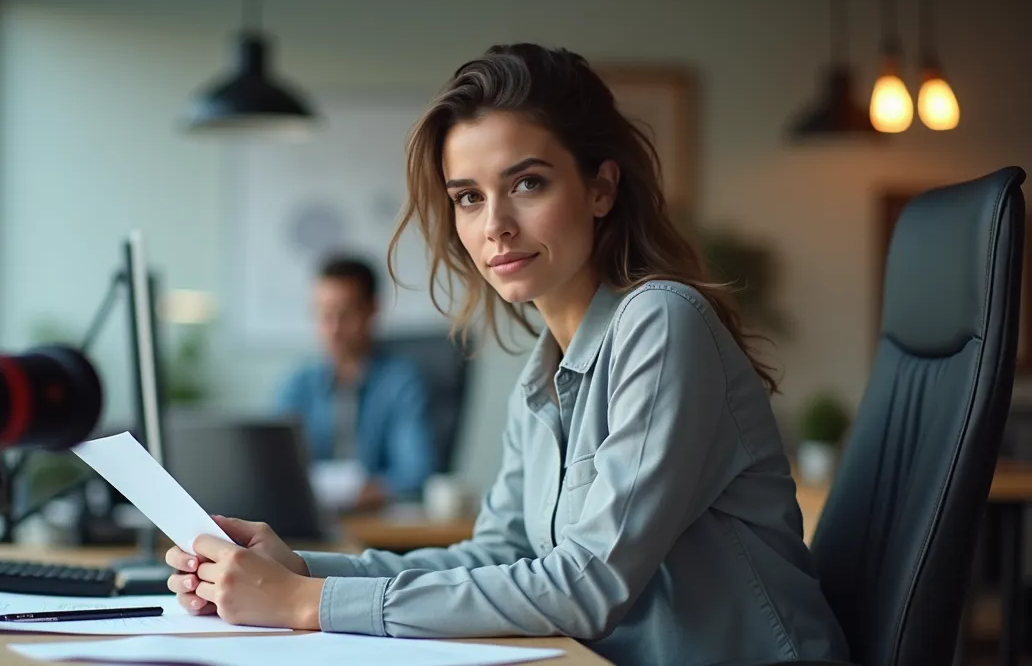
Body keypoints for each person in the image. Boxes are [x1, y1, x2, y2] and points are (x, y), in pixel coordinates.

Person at [164, 43, 850, 665]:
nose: (493, 226)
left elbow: (587, 586)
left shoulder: (662, 323)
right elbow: (499, 554)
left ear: (602, 187)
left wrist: (302, 605)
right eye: (467, 197)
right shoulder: (545, 370)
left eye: (527, 184)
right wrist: (304, 572)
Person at [275, 256, 435, 509]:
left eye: (345, 314)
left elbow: (415, 473)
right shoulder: (298, 382)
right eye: (324, 314)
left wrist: (363, 493)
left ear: (372, 310)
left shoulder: (402, 382)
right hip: (311, 517)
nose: (334, 328)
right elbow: (273, 464)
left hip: (381, 522)